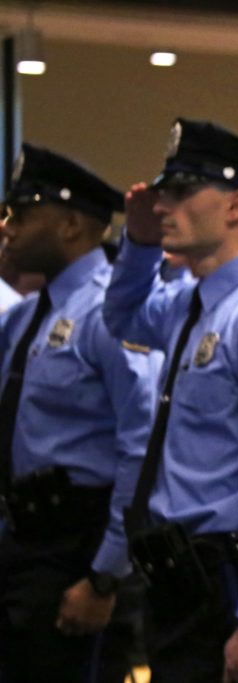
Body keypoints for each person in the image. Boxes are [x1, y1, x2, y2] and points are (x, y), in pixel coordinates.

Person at [103, 118, 238, 683]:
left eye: (181, 192)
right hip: (176, 574)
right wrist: (138, 247)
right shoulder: (186, 306)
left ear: (236, 208)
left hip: (229, 579)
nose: (162, 206)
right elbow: (122, 317)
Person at [0, 144, 157, 683]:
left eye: (21, 215)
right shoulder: (25, 318)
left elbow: (142, 449)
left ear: (69, 225)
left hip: (79, 552)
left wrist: (104, 577)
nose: (6, 228)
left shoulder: (108, 315)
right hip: (22, 544)